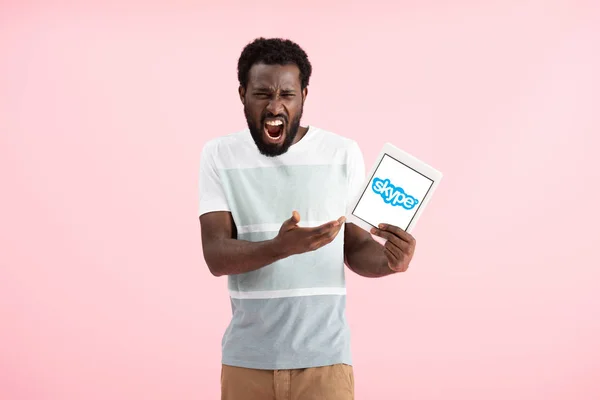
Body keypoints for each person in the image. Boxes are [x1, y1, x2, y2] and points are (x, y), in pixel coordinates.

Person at [198, 37, 417, 400]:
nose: (275, 105)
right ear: (242, 94)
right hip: (246, 361)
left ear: (303, 95)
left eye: (287, 94)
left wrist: (390, 261)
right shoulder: (219, 155)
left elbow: (357, 246)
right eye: (262, 94)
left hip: (326, 363)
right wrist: (280, 248)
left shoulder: (342, 153)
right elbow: (216, 255)